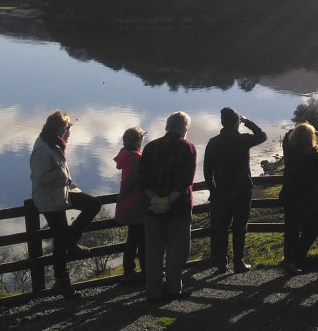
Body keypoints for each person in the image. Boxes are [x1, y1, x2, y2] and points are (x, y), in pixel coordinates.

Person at [29, 111, 102, 296]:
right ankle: (63, 282)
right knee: (59, 240)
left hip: (61, 192)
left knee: (93, 204)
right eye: (67, 128)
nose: (69, 132)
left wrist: (68, 182)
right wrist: (62, 175)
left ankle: (72, 240)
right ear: (59, 128)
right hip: (48, 198)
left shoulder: (53, 143)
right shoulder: (42, 148)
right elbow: (41, 177)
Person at [140, 111, 198, 302]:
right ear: (185, 129)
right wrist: (169, 200)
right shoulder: (188, 148)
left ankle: (153, 292)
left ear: (167, 127)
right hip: (179, 208)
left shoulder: (150, 147)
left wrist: (156, 199)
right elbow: (185, 181)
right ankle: (174, 289)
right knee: (177, 251)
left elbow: (143, 179)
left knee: (153, 251)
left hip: (152, 209)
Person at [202, 107, 267, 273]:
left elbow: (207, 170)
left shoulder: (213, 142)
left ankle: (222, 263)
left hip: (221, 192)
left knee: (221, 229)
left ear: (223, 122)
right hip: (242, 191)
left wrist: (212, 190)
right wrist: (247, 121)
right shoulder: (243, 139)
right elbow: (262, 136)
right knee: (240, 228)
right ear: (236, 123)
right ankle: (238, 262)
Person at [279, 123, 318, 273]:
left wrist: (298, 131)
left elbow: (287, 137)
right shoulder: (314, 156)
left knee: (291, 229)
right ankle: (297, 258)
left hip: (291, 196)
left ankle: (290, 261)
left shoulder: (289, 152)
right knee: (313, 227)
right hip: (309, 198)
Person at [113, 127, 146, 284]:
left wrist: (121, 198)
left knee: (132, 238)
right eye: (141, 138)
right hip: (137, 203)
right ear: (137, 140)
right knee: (142, 239)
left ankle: (129, 271)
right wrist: (122, 196)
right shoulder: (135, 158)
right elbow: (130, 181)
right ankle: (144, 271)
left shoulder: (125, 156)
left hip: (128, 203)